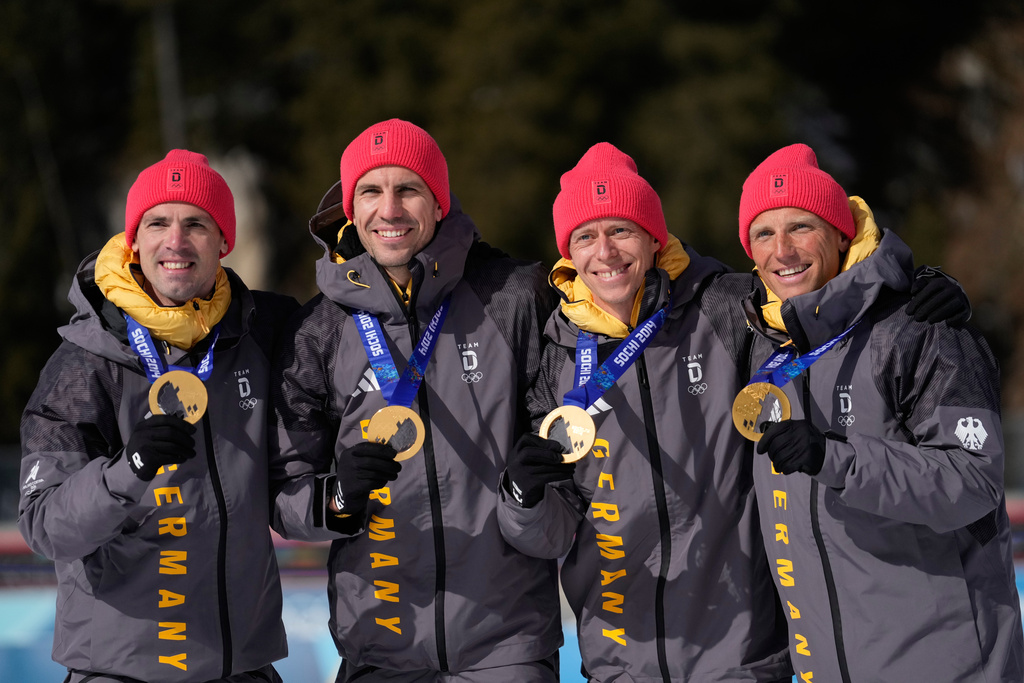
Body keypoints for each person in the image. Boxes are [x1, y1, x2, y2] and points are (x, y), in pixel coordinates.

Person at [269, 119, 562, 682]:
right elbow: (283, 486)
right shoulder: (319, 328)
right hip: (380, 646)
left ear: (438, 201)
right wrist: (336, 498)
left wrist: (533, 487)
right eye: (371, 192)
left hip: (505, 645)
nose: (391, 209)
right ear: (351, 210)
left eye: (408, 189)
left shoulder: (512, 296)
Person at [495, 142, 793, 682]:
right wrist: (522, 497)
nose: (605, 252)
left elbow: (816, 302)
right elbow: (552, 535)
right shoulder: (556, 355)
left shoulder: (725, 308)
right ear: (569, 254)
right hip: (619, 663)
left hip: (739, 658)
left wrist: (904, 287)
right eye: (586, 236)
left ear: (656, 239)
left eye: (622, 231)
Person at [737, 143, 1024, 682]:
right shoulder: (760, 341)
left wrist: (837, 459)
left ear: (842, 233)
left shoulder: (918, 327)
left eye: (801, 226)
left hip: (947, 665)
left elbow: (973, 481)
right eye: (763, 234)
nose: (783, 249)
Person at [18, 150, 297, 683]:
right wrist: (129, 470)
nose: (176, 241)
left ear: (223, 241)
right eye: (158, 223)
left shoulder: (263, 330)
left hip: (242, 667)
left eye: (196, 223)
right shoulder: (84, 360)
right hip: (121, 672)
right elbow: (45, 525)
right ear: (134, 241)